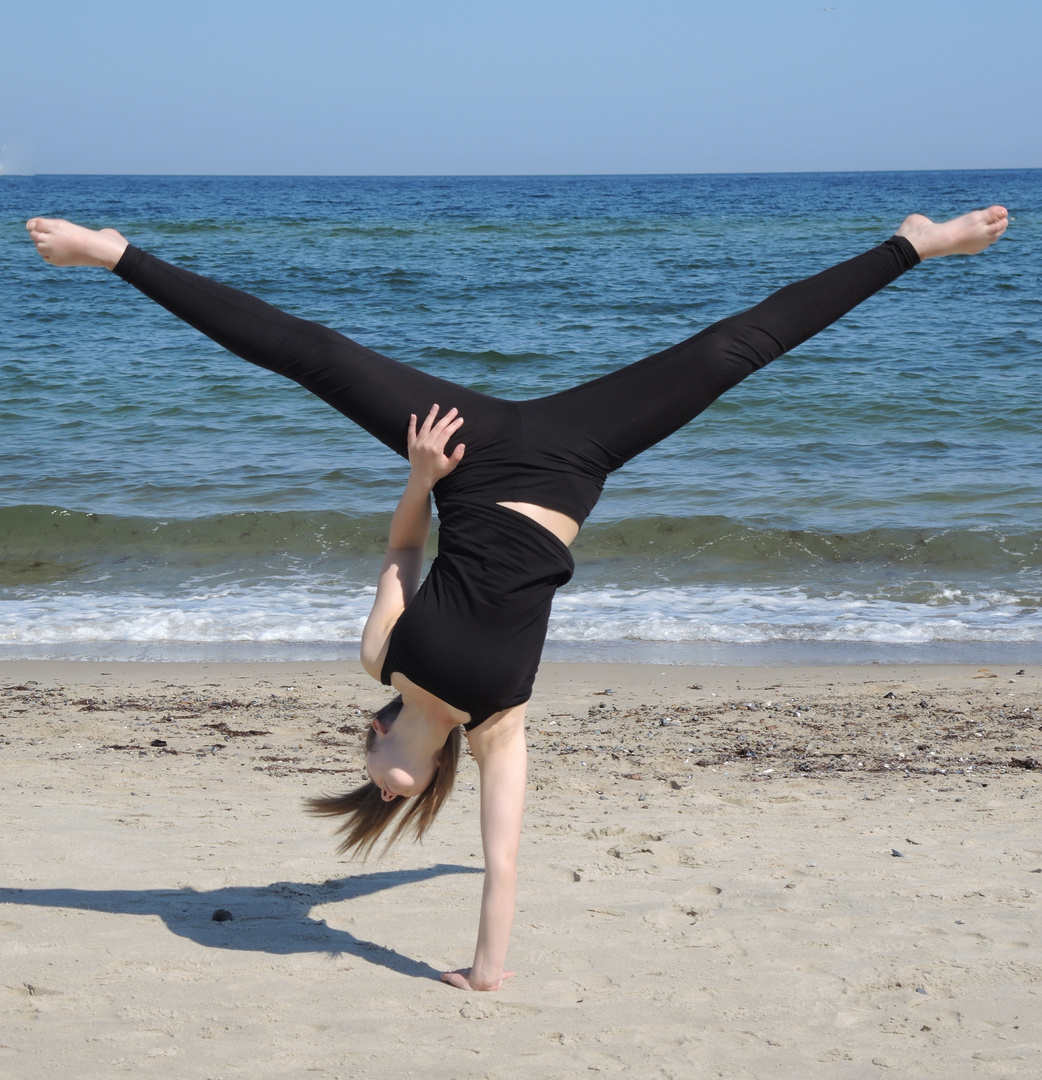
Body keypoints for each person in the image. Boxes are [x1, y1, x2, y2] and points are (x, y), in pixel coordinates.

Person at [26, 206, 1008, 990]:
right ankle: (915, 247)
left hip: (460, 460)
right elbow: (504, 865)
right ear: (420, 762)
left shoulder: (383, 660)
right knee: (727, 354)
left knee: (314, 353)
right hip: (575, 464)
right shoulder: (498, 725)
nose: (379, 783)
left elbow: (403, 546)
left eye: (369, 776)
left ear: (373, 733)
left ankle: (110, 253)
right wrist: (485, 971)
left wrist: (419, 471)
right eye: (388, 794)